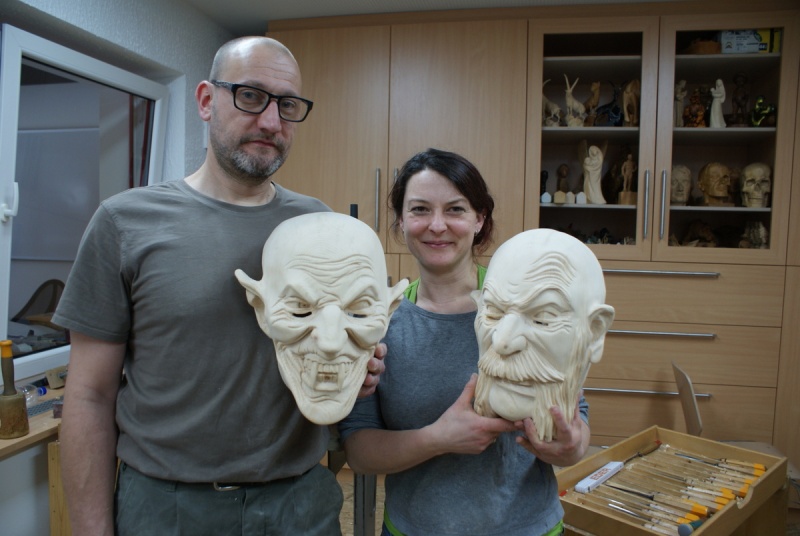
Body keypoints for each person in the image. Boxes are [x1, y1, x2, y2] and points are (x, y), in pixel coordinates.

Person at [52, 36, 385, 536]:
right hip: (167, 508)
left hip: (299, 503)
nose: (271, 121)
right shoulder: (125, 223)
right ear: (207, 100)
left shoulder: (317, 224)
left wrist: (358, 367)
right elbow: (89, 397)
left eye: (287, 105)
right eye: (250, 96)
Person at [339, 148, 591, 536]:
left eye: (455, 209)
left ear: (479, 219)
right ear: (401, 221)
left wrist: (571, 446)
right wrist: (437, 439)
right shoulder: (380, 320)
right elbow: (359, 451)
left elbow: (577, 418)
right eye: (420, 210)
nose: (437, 225)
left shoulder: (529, 306)